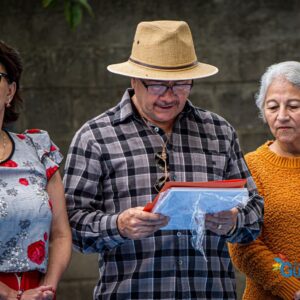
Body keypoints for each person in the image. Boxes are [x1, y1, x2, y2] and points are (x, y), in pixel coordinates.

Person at [64, 20, 264, 300]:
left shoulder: (219, 131)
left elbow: (254, 212)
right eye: (158, 85)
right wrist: (119, 225)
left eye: (181, 84)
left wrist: (232, 221)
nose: (170, 96)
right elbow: (70, 226)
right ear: (134, 80)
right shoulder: (95, 136)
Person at [0, 40, 72, 300]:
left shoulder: (38, 149)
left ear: (10, 92)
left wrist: (46, 289)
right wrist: (10, 295)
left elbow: (61, 234)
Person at [229, 61, 300, 300]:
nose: (281, 116)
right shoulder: (251, 167)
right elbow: (242, 246)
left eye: (293, 106)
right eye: (272, 107)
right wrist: (290, 285)